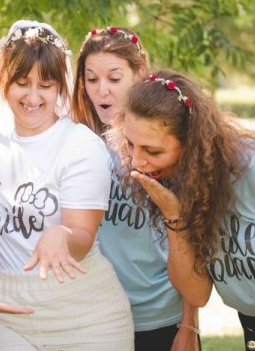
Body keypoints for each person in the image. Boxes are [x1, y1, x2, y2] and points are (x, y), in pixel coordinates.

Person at [0, 20, 134, 350]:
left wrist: (61, 234)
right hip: (7, 312)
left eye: (45, 85)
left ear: (60, 86)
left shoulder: (80, 145)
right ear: (3, 80)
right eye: (22, 83)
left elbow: (83, 235)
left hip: (86, 318)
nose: (33, 97)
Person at [109, 69, 255, 351]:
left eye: (152, 151)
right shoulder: (180, 180)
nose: (136, 162)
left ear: (191, 144)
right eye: (130, 145)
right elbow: (197, 293)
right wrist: (173, 215)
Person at [71, 27, 198, 350]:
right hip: (95, 316)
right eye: (92, 79)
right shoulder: (77, 143)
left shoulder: (160, 142)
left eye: (114, 79)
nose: (102, 92)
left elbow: (190, 240)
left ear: (139, 74)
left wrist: (189, 324)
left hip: (159, 316)